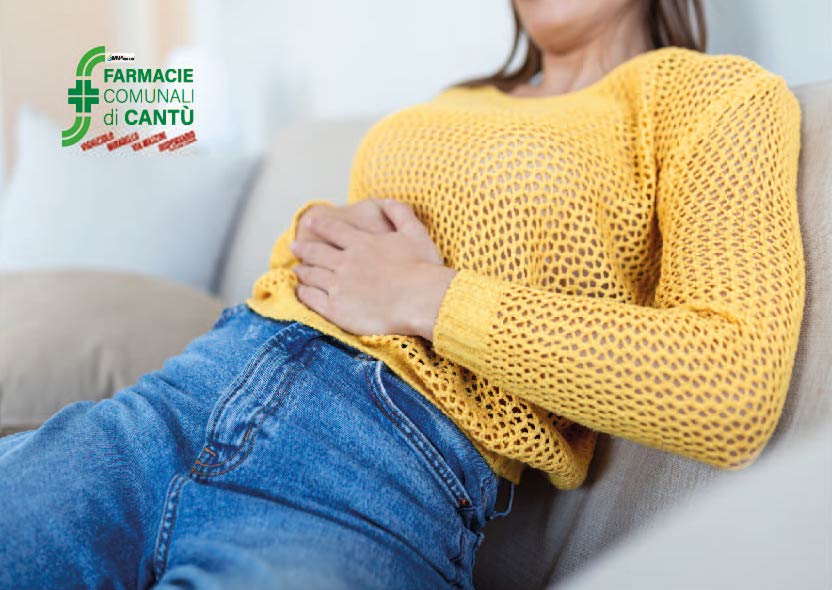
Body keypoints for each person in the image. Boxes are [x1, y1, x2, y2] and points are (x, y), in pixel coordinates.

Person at [0, 0, 805, 588]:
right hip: (188, 394)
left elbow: (727, 384)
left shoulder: (711, 96)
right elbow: (342, 268)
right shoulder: (454, 102)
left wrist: (432, 296)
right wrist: (315, 234)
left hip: (375, 482)